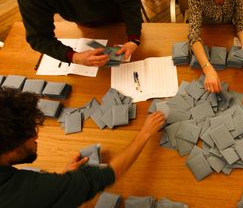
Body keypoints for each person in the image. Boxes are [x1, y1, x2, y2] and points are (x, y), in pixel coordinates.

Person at [0, 87, 165, 207]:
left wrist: (61, 182)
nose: (36, 136)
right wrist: (144, 134)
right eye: (29, 135)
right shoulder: (22, 191)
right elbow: (104, 176)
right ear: (10, 149)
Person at [16, 0, 143, 67]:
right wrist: (74, 57)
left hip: (121, 15)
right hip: (85, 25)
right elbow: (38, 37)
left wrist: (134, 38)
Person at [188, 0, 243, 93]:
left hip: (227, 33)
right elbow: (193, 34)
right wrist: (207, 68)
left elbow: (240, 16)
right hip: (206, 33)